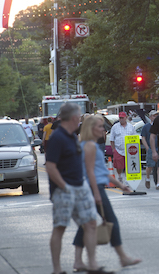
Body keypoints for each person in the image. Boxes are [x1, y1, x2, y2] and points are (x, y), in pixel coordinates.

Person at [72, 115, 140, 272]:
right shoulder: (89, 146)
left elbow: (102, 172)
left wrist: (120, 185)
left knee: (86, 225)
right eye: (100, 127)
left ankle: (77, 261)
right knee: (112, 221)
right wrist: (96, 193)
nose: (103, 129)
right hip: (92, 188)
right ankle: (123, 257)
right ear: (91, 129)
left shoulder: (91, 145)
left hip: (92, 187)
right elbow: (90, 172)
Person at [45, 103, 104, 274]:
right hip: (64, 190)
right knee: (60, 227)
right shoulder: (57, 137)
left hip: (80, 186)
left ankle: (92, 264)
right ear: (73, 118)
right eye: (79, 116)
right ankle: (57, 270)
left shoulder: (72, 136)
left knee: (91, 223)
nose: (80, 119)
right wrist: (64, 187)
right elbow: (50, 166)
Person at [109, 112, 135, 183]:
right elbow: (112, 139)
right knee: (119, 166)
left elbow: (134, 137)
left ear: (126, 118)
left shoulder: (131, 126)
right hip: (118, 149)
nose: (121, 119)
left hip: (129, 150)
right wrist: (113, 149)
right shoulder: (115, 127)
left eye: (122, 118)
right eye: (120, 118)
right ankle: (120, 176)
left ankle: (127, 179)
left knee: (128, 165)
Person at [141, 110, 159, 189]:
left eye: (157, 116)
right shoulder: (146, 127)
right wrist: (147, 148)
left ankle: (158, 183)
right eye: (154, 116)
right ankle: (147, 178)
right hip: (151, 148)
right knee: (150, 165)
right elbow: (143, 138)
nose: (155, 117)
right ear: (150, 117)